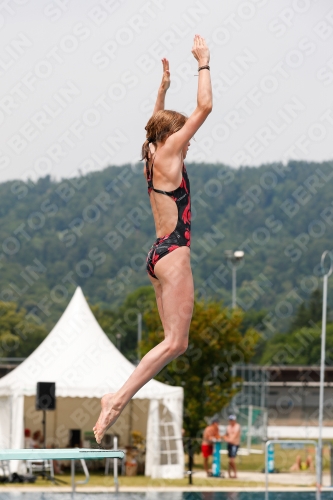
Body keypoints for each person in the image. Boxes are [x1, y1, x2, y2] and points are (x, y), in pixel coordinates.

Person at [93, 34, 212, 444]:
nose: (188, 142)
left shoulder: (151, 156)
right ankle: (119, 397)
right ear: (172, 137)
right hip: (175, 255)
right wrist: (203, 63)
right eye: (183, 136)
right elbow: (205, 107)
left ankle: (119, 394)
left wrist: (161, 90)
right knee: (177, 343)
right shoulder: (170, 152)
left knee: (171, 343)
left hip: (157, 256)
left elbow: (153, 125)